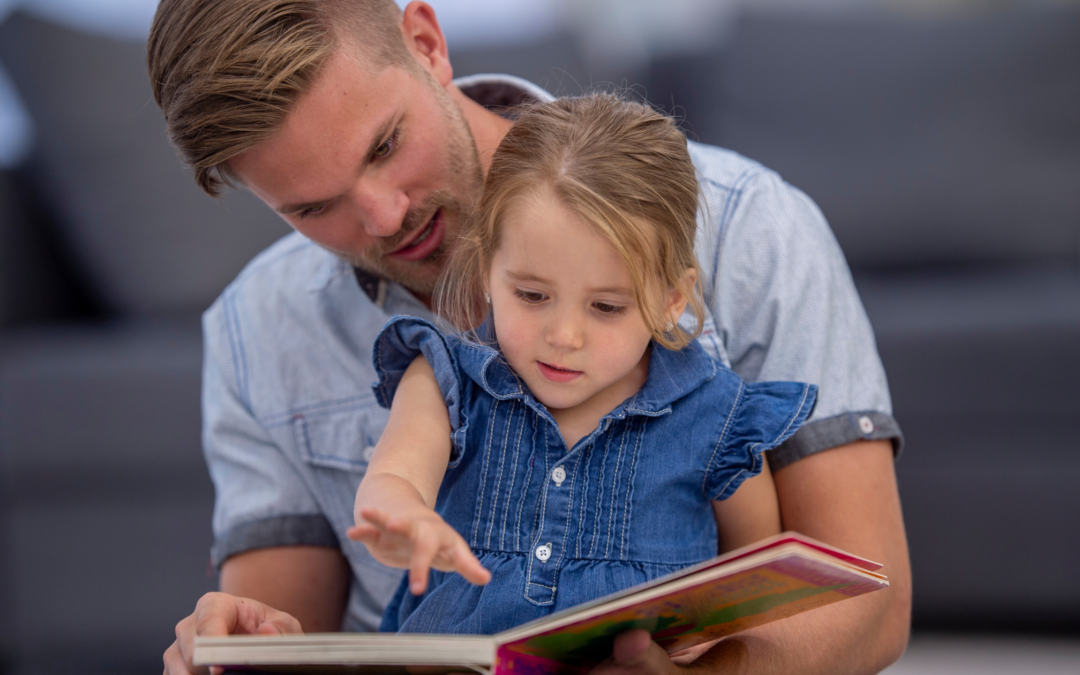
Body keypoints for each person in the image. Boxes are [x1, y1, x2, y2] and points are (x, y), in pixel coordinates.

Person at [148, 1, 910, 673]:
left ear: (426, 41)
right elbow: (289, 631)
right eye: (314, 207)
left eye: (383, 146)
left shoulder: (749, 227)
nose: (384, 218)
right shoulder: (257, 326)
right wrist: (242, 642)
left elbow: (866, 598)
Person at [347, 93, 817, 635]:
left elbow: (753, 579)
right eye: (531, 295)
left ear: (672, 299)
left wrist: (714, 638)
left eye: (606, 307)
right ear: (485, 270)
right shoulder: (445, 379)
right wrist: (403, 517)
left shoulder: (718, 420)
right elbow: (394, 476)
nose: (564, 337)